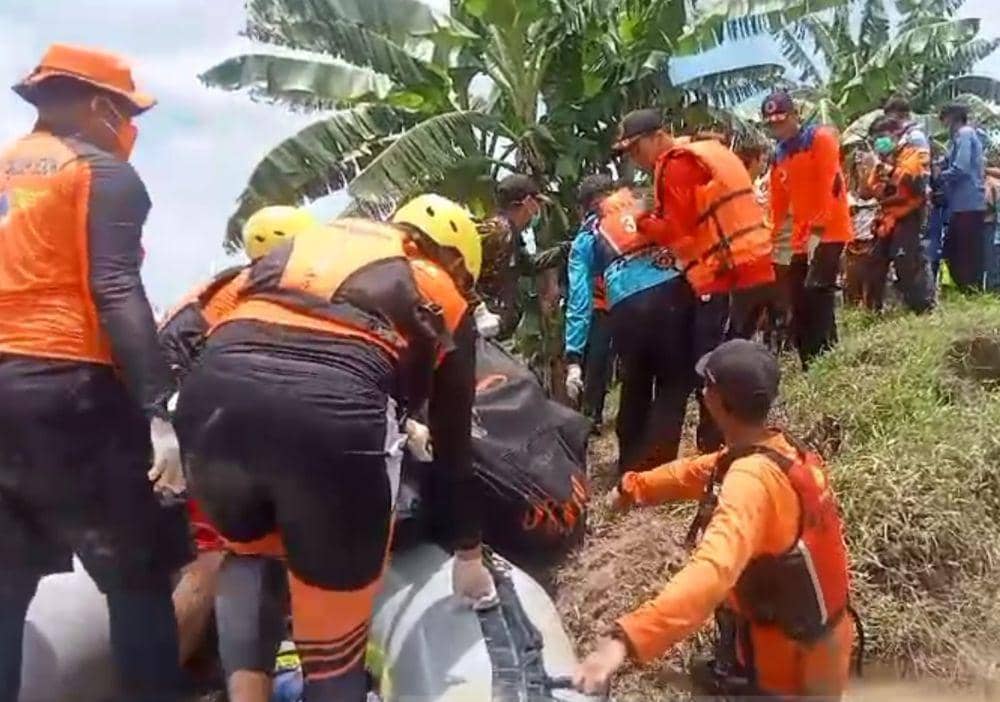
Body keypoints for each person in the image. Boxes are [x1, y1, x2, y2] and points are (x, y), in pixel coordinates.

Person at [174, 195, 495, 702]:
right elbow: (454, 445)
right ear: (454, 259)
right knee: (332, 652)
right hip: (333, 428)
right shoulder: (439, 290)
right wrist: (468, 550)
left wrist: (156, 420)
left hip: (212, 416)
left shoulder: (293, 252)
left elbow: (184, 326)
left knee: (250, 553)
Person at [0, 44, 192, 702]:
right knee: (136, 574)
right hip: (71, 390)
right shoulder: (101, 172)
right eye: (126, 111)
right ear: (97, 105)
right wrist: (159, 411)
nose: (129, 126)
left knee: (5, 584)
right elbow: (115, 290)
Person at [573, 339, 854, 700]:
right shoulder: (781, 451)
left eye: (706, 385)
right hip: (820, 638)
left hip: (784, 667)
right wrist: (632, 488)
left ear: (716, 401)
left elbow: (711, 573)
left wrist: (625, 638)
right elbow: (694, 472)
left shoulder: (751, 483)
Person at [158, 205, 317, 702]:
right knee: (216, 561)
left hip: (210, 445)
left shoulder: (218, 293)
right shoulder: (249, 297)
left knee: (224, 561)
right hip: (215, 449)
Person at [631, 113, 776, 340]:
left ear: (658, 137)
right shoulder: (707, 150)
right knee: (739, 348)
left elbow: (678, 232)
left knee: (713, 356)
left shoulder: (677, 165)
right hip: (755, 260)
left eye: (636, 149)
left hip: (725, 272)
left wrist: (642, 221)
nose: (634, 159)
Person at [764, 91, 853, 369]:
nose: (778, 127)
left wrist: (818, 229)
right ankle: (809, 362)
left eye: (782, 120)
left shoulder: (820, 139)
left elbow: (832, 183)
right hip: (800, 238)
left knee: (817, 293)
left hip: (829, 231)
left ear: (795, 116)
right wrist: (773, 241)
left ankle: (828, 357)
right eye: (772, 124)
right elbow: (778, 205)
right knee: (798, 298)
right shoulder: (779, 155)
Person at [857, 116, 934, 313]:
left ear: (894, 134)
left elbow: (915, 182)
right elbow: (867, 192)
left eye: (882, 137)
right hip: (886, 218)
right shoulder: (879, 161)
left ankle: (922, 307)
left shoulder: (913, 152)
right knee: (874, 263)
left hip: (909, 215)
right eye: (876, 139)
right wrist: (865, 169)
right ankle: (872, 310)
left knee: (906, 262)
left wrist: (890, 172)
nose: (879, 143)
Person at [477, 174, 564, 339]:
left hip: (494, 329)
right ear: (527, 203)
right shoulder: (497, 232)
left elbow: (529, 265)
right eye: (536, 204)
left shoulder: (512, 235)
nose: (537, 211)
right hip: (483, 327)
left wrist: (565, 250)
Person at [564, 174, 617, 431]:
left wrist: (573, 355)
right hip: (653, 300)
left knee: (596, 360)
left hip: (604, 308)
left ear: (582, 208)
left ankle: (590, 416)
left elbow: (578, 299)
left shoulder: (585, 240)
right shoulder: (639, 218)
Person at [939, 102, 987, 292]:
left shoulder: (965, 134)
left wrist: (939, 176)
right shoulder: (958, 138)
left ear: (952, 117)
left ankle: (970, 287)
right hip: (961, 203)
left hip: (968, 201)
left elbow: (961, 167)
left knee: (965, 248)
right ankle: (965, 286)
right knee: (956, 246)